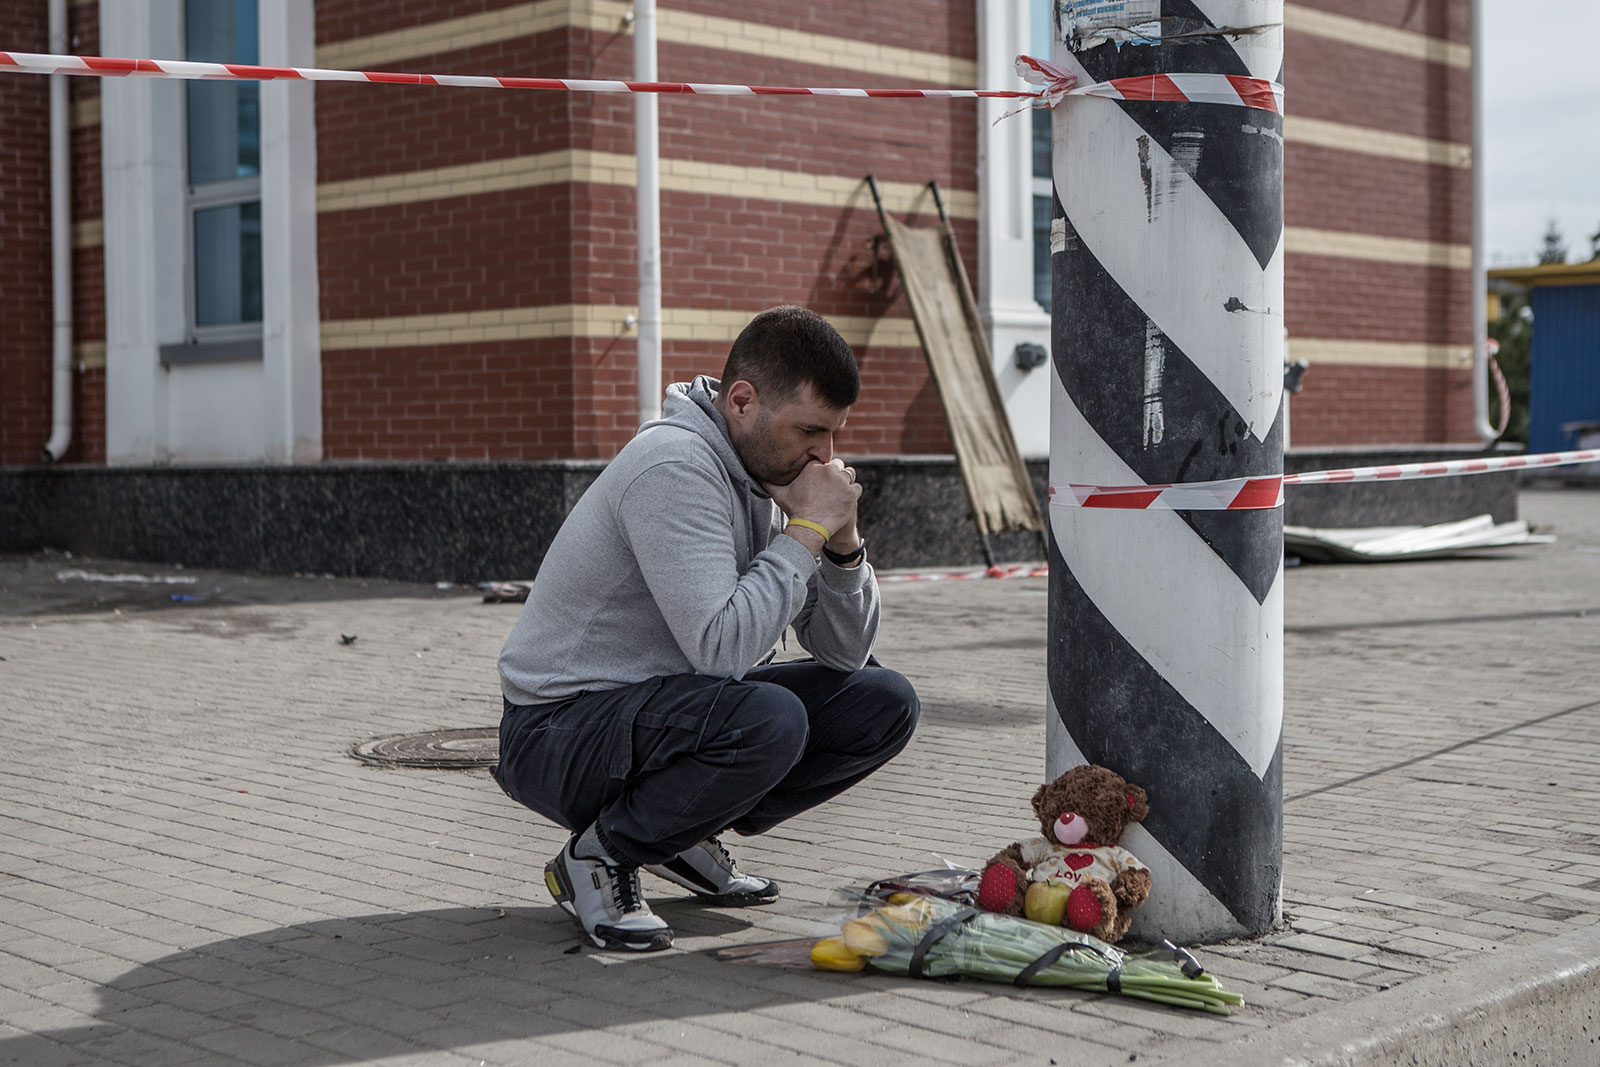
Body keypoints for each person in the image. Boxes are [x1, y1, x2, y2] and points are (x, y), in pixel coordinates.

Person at [493, 305, 920, 951]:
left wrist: (841, 540)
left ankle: (676, 828)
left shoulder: (760, 474)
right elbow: (722, 651)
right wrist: (804, 531)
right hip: (556, 729)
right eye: (810, 430)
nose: (825, 455)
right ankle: (599, 855)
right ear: (743, 401)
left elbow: (844, 651)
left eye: (834, 434)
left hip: (656, 712)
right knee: (768, 717)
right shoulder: (674, 465)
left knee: (883, 701)